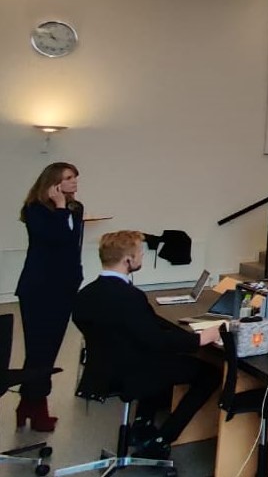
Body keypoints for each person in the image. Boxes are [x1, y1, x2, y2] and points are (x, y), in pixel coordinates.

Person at [72, 231, 222, 460]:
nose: (142, 256)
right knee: (209, 373)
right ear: (128, 260)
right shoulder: (131, 297)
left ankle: (142, 422)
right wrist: (200, 338)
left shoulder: (84, 295)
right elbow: (156, 339)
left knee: (158, 358)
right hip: (133, 372)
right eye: (140, 253)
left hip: (101, 371)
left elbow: (140, 334)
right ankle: (162, 440)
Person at [16, 162, 83, 431]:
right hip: (39, 288)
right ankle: (36, 404)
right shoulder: (35, 210)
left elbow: (72, 245)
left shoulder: (75, 208)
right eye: (68, 178)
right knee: (38, 349)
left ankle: (28, 403)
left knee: (50, 347)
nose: (75, 182)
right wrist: (58, 207)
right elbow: (54, 239)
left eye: (75, 177)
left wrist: (77, 275)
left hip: (64, 286)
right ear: (53, 183)